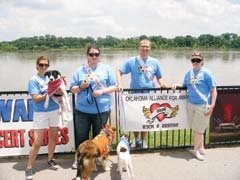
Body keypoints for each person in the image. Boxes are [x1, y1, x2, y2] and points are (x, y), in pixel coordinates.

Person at [70, 44, 117, 168]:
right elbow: (72, 89)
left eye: (96, 54)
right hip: (82, 110)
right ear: (87, 56)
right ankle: (80, 159)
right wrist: (81, 87)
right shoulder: (79, 70)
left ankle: (98, 159)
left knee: (99, 137)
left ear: (99, 56)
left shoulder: (106, 69)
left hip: (101, 110)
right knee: (81, 137)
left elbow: (114, 86)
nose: (94, 56)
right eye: (91, 54)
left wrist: (101, 92)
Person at [116, 39, 168, 149]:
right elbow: (119, 71)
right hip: (135, 95)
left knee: (147, 118)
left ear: (150, 48)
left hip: (150, 95)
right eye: (143, 46)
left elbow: (159, 76)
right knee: (135, 118)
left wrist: (162, 83)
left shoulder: (155, 62)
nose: (145, 48)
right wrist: (120, 84)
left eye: (147, 47)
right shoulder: (132, 61)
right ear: (139, 48)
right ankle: (136, 139)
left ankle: (143, 140)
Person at [172, 51, 217, 161]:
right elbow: (184, 86)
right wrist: (176, 85)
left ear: (202, 61)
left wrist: (212, 105)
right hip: (191, 104)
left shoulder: (207, 73)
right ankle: (201, 147)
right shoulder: (188, 73)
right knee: (197, 128)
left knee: (199, 129)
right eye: (193, 60)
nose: (195, 62)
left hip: (203, 105)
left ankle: (195, 150)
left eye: (198, 60)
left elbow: (213, 90)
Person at [25, 56, 60, 180]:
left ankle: (50, 159)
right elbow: (35, 98)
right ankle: (29, 167)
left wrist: (59, 91)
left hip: (54, 110)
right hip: (40, 113)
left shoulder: (51, 77)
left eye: (46, 65)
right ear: (37, 65)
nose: (43, 67)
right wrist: (47, 94)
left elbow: (59, 91)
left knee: (53, 137)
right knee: (38, 142)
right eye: (41, 64)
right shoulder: (33, 80)